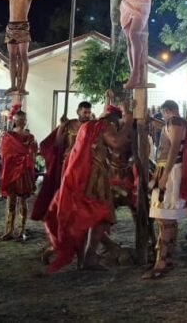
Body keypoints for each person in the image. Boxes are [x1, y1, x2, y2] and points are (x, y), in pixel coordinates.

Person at [44, 104, 133, 272]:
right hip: (93, 178)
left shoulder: (89, 126)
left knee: (89, 217)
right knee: (98, 216)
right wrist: (128, 122)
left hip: (81, 176)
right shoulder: (103, 126)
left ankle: (83, 257)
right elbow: (116, 142)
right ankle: (86, 257)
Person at [144, 100, 187, 279]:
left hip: (170, 171)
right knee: (167, 218)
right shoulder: (175, 122)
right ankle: (166, 258)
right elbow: (167, 130)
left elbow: (173, 148)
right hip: (169, 170)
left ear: (166, 111)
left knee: (164, 219)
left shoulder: (175, 122)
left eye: (163, 114)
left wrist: (165, 176)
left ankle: (162, 262)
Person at [0, 0, 62, 94]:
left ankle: (22, 86)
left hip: (22, 27)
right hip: (11, 27)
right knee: (12, 58)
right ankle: (13, 85)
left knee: (23, 56)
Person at [31, 101, 93, 221]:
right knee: (66, 190)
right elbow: (58, 143)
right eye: (85, 112)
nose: (87, 115)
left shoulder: (91, 126)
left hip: (84, 163)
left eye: (89, 113)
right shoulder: (69, 125)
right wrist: (62, 127)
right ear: (78, 111)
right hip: (68, 163)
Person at [0, 107, 38, 240]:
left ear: (26, 121)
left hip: (24, 171)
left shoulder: (30, 137)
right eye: (19, 119)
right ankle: (8, 230)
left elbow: (33, 152)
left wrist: (26, 153)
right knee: (11, 200)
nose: (22, 121)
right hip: (11, 171)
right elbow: (4, 153)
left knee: (22, 201)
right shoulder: (8, 136)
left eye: (24, 119)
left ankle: (21, 229)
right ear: (15, 120)